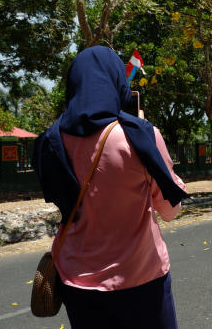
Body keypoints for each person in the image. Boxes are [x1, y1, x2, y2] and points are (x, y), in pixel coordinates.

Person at [32, 46, 189, 328]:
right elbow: (170, 210)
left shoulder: (49, 142)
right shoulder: (139, 137)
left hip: (76, 280)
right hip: (141, 278)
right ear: (118, 83)